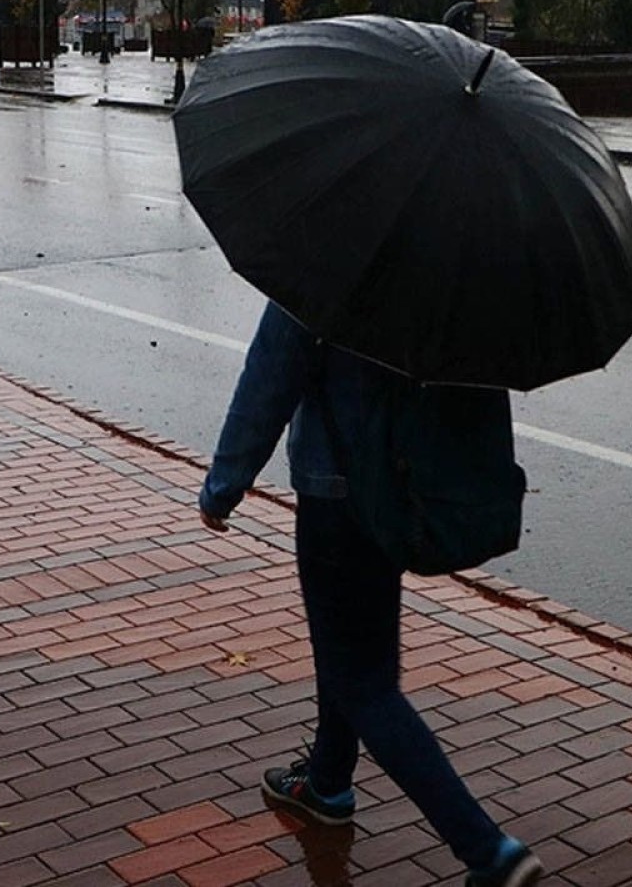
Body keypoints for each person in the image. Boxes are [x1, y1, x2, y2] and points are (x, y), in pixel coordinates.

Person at [198, 302, 544, 887]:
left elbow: (273, 369)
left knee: (365, 681)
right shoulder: (453, 260)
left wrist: (224, 484)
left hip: (338, 494)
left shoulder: (330, 248)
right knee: (353, 650)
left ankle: (490, 852)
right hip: (402, 490)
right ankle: (327, 784)